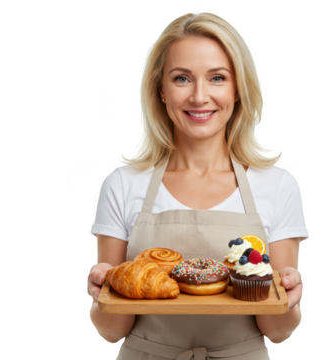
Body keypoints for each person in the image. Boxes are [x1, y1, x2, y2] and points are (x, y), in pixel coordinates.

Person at [87, 12, 310, 359]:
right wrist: (102, 296)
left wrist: (291, 298)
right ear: (161, 89)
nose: (199, 96)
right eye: (182, 79)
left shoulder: (278, 186)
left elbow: (279, 332)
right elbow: (111, 330)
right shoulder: (122, 184)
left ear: (238, 89)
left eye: (217, 77)